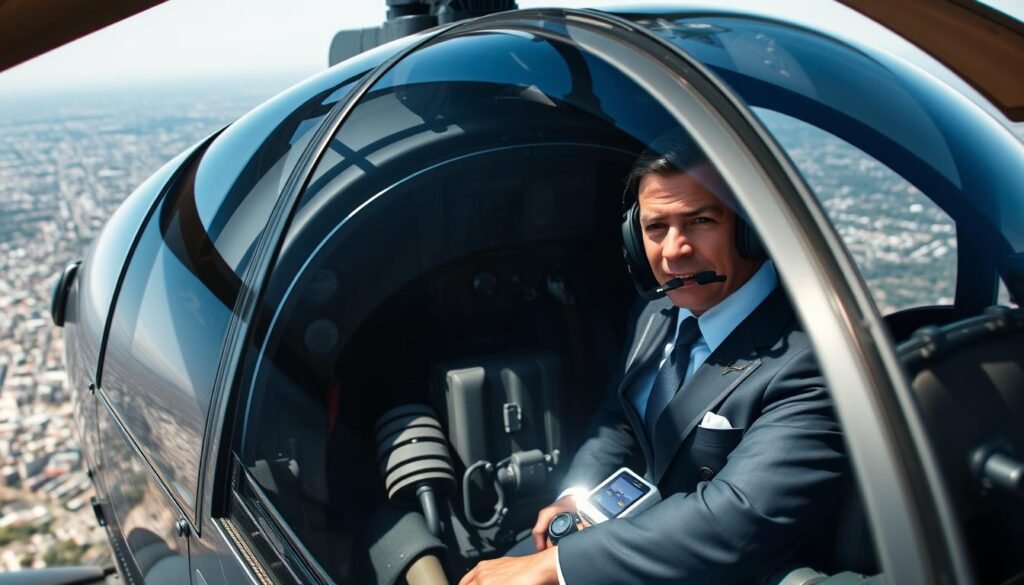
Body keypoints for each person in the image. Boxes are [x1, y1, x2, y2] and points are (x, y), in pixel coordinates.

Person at [458, 140, 848, 585]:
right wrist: (575, 497)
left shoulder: (811, 358)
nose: (673, 251)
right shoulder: (655, 314)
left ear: (750, 227)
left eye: (700, 221)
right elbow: (619, 419)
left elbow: (737, 518)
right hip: (620, 541)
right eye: (656, 227)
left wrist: (560, 567)